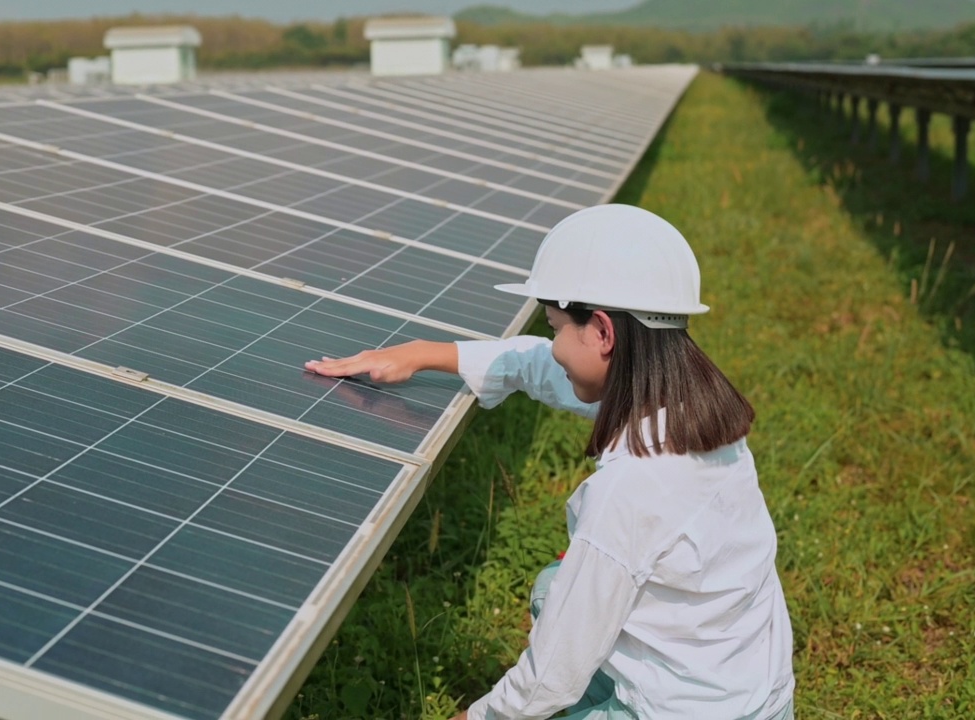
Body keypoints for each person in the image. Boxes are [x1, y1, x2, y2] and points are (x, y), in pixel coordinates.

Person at [305, 205, 795, 720]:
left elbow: (547, 681)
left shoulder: (632, 490)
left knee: (560, 602)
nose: (555, 345)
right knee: (552, 589)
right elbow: (544, 365)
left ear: (603, 332)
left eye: (557, 327)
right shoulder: (698, 415)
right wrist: (426, 352)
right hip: (757, 695)